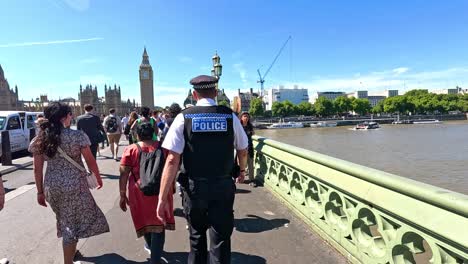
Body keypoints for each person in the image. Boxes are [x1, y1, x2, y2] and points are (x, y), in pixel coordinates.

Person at [157, 75, 248, 264]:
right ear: (215, 93)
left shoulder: (184, 117)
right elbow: (243, 149)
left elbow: (172, 160)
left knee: (196, 238)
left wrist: (163, 197)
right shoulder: (229, 115)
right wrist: (241, 171)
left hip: (194, 188)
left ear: (193, 94)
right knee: (221, 239)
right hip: (223, 186)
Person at [29, 102, 109, 264]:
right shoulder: (76, 136)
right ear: (64, 118)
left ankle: (72, 250)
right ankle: (68, 261)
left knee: (66, 219)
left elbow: (37, 169)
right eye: (70, 114)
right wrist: (98, 178)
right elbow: (90, 161)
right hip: (76, 185)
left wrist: (40, 192)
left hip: (52, 186)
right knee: (71, 225)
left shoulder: (40, 139)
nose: (71, 117)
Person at [119, 122, 175, 264]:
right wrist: (172, 187)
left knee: (144, 222)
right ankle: (155, 257)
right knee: (159, 223)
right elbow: (171, 169)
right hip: (161, 190)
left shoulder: (131, 149)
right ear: (153, 133)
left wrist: (122, 194)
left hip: (138, 191)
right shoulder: (164, 148)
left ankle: (152, 250)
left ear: (137, 135)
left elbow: (123, 173)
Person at [239, 112, 257, 187]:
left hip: (249, 147)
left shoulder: (250, 126)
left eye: (247, 116)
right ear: (241, 117)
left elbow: (253, 133)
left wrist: (251, 132)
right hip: (241, 148)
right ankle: (240, 177)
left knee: (250, 164)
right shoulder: (239, 126)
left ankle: (251, 180)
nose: (246, 118)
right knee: (241, 164)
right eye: (245, 116)